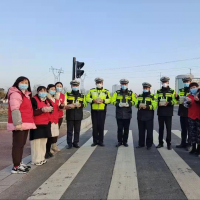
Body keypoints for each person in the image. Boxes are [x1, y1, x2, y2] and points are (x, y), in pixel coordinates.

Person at [6, 76, 36, 174]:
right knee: (17, 145)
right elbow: (15, 109)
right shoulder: (15, 94)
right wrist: (18, 123)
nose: (25, 84)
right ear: (17, 83)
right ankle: (16, 166)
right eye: (22, 82)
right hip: (20, 123)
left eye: (26, 82)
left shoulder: (25, 95)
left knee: (21, 145)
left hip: (26, 123)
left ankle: (19, 162)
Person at [30, 86, 52, 166]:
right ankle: (36, 160)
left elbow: (51, 109)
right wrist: (42, 110)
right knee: (36, 143)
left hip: (46, 123)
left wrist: (50, 109)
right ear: (38, 91)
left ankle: (42, 158)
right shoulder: (33, 100)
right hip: (37, 124)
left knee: (43, 142)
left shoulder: (47, 100)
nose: (43, 92)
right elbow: (32, 112)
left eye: (45, 91)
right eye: (41, 91)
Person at [86, 77, 111, 147]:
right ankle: (95, 141)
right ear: (95, 83)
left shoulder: (106, 91)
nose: (99, 84)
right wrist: (93, 100)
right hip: (94, 111)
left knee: (101, 126)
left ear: (102, 83)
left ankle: (101, 141)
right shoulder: (91, 91)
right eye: (97, 83)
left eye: (100, 83)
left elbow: (110, 100)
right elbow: (87, 98)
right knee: (95, 127)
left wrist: (103, 101)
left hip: (102, 111)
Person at [111, 79, 136, 147]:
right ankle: (119, 141)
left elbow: (134, 101)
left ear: (127, 85)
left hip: (127, 114)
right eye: (122, 84)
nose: (124, 85)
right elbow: (112, 100)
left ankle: (125, 141)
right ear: (120, 85)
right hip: (119, 113)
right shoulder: (117, 93)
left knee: (126, 129)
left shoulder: (131, 93)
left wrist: (129, 104)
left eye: (125, 84)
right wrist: (118, 104)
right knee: (119, 129)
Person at [155, 77, 177, 150]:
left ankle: (168, 144)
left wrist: (169, 103)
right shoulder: (158, 91)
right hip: (160, 112)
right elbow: (155, 100)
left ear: (168, 83)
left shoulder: (172, 91)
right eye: (163, 82)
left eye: (166, 82)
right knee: (161, 129)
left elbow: (175, 101)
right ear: (162, 83)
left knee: (168, 129)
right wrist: (158, 103)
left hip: (168, 113)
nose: (164, 83)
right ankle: (160, 143)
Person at [65, 80, 87, 149]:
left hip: (78, 115)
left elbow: (85, 103)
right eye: (74, 85)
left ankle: (76, 143)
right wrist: (69, 105)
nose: (75, 87)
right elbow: (64, 103)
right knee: (69, 130)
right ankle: (69, 144)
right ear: (71, 86)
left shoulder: (82, 95)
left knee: (77, 130)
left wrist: (81, 105)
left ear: (78, 86)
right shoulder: (67, 94)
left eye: (76, 85)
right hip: (70, 114)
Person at [135, 82, 157, 150]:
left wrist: (146, 107)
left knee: (149, 132)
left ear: (149, 88)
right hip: (140, 116)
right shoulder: (140, 96)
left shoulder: (153, 96)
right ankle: (141, 144)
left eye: (146, 88)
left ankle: (149, 145)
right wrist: (138, 105)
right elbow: (136, 104)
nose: (145, 89)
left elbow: (154, 106)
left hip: (149, 116)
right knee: (141, 131)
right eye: (144, 88)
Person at [45, 84, 63, 159]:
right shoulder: (46, 98)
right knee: (48, 135)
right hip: (49, 119)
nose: (53, 90)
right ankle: (46, 151)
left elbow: (58, 108)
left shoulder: (56, 99)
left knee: (53, 135)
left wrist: (61, 106)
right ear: (48, 89)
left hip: (55, 119)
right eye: (52, 89)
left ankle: (49, 150)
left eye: (54, 89)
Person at [175, 76, 192, 150]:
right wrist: (177, 98)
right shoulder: (181, 90)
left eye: (187, 82)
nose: (186, 83)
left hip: (190, 112)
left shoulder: (192, 90)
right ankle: (183, 143)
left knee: (190, 129)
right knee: (183, 129)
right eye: (185, 82)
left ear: (190, 82)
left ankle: (189, 144)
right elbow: (178, 100)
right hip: (182, 112)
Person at [184, 82, 200, 155]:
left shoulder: (199, 95)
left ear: (197, 87)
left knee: (198, 134)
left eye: (194, 87)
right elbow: (186, 106)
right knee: (192, 133)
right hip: (191, 117)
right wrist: (188, 102)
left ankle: (198, 149)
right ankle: (193, 148)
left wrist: (198, 101)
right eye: (191, 88)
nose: (193, 89)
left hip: (198, 117)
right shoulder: (188, 96)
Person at [50, 82, 67, 153]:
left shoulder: (63, 96)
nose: (59, 87)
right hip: (51, 116)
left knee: (56, 131)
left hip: (59, 116)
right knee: (50, 131)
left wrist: (63, 106)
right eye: (57, 86)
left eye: (60, 86)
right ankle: (48, 146)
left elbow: (65, 105)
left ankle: (54, 145)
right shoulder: (52, 95)